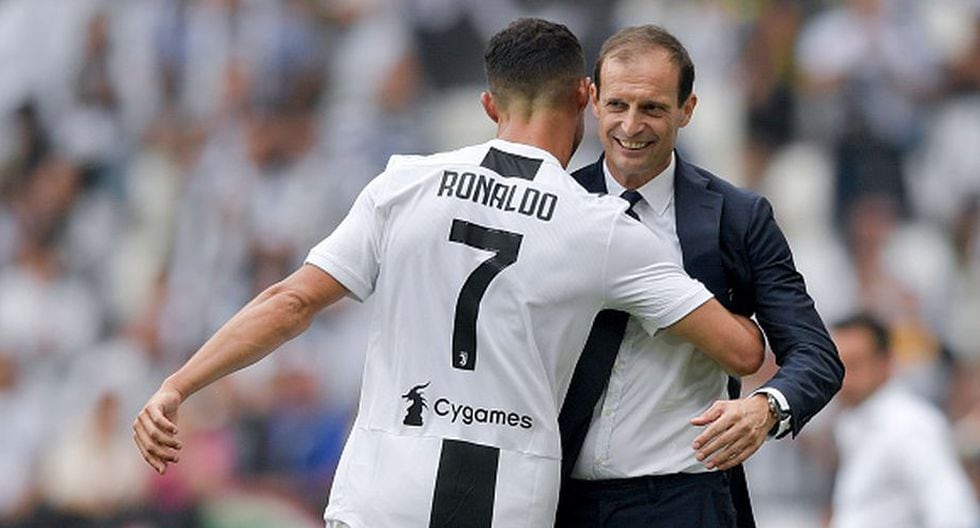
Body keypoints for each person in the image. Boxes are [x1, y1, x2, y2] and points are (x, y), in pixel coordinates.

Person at [133, 18, 765, 528]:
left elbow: (290, 302)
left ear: (489, 104)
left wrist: (178, 386)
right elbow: (741, 353)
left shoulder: (404, 184)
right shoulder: (601, 228)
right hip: (508, 496)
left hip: (386, 486)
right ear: (585, 96)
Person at [556, 25, 844, 527]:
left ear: (687, 109)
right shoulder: (555, 206)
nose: (631, 125)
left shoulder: (738, 216)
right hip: (561, 499)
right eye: (618, 105)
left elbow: (815, 354)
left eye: (652, 108)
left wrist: (765, 409)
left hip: (685, 499)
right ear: (594, 101)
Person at [830, 313, 979, 528]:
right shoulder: (853, 422)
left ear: (885, 362)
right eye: (836, 365)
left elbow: (954, 514)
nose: (843, 378)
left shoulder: (909, 426)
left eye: (855, 364)